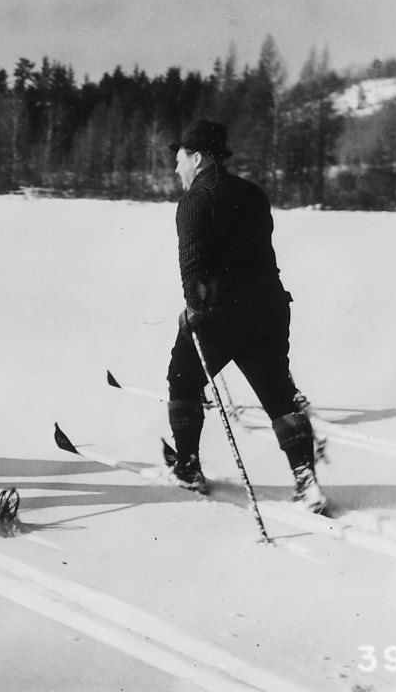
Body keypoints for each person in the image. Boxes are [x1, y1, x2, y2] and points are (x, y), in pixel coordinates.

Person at [163, 119, 327, 513]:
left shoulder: (196, 200)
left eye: (180, 158)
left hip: (221, 314)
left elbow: (193, 266)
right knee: (280, 396)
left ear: (197, 157)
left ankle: (187, 467)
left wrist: (195, 311)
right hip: (269, 308)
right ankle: (307, 480)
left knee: (182, 381)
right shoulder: (253, 193)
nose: (175, 168)